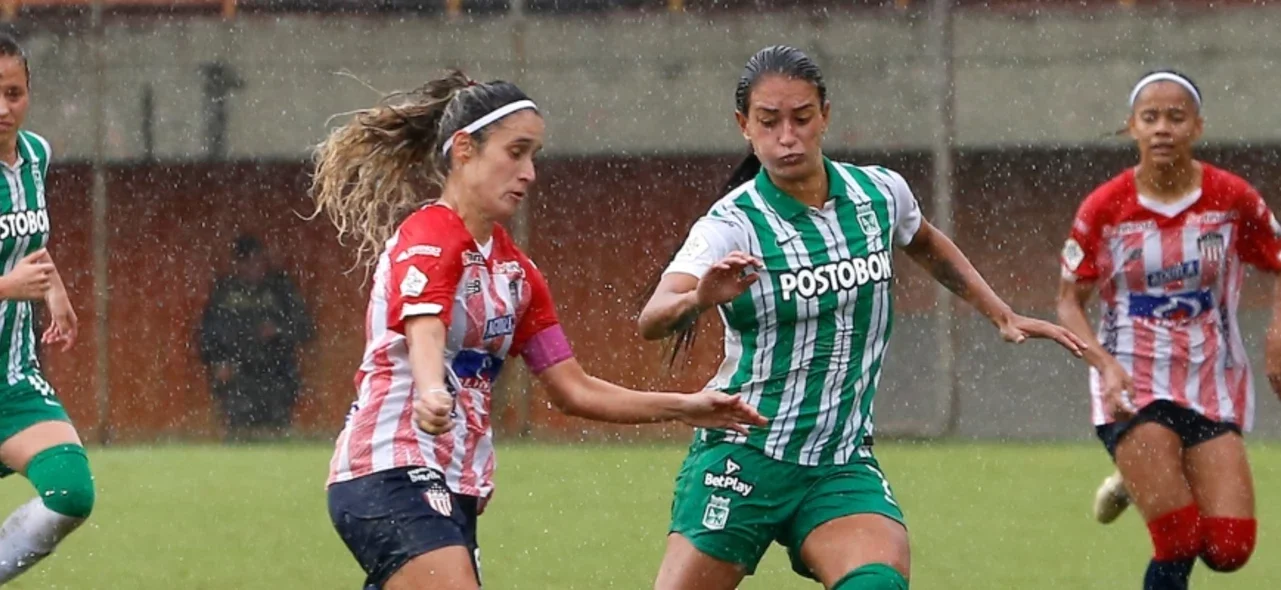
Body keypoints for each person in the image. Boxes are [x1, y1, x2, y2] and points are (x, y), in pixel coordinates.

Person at [638, 45, 1086, 590]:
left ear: (825, 114)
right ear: (743, 127)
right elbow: (654, 318)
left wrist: (999, 312)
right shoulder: (731, 225)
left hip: (838, 461)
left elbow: (924, 241)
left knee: (877, 584)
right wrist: (700, 298)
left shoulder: (879, 193)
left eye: (802, 118)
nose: (787, 136)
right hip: (745, 455)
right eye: (768, 122)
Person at [310, 70, 767, 590]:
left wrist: (686, 406)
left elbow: (574, 390)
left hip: (457, 485)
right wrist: (431, 388)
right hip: (388, 471)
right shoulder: (432, 232)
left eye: (535, 156)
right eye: (515, 152)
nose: (529, 172)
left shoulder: (517, 275)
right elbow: (425, 323)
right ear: (463, 150)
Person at [1057, 70, 1278, 589]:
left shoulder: (1232, 197)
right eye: (1150, 117)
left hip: (1211, 379)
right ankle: (1147, 469)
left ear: (1197, 126)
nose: (1162, 128)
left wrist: (1276, 334)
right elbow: (1069, 302)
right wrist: (1104, 366)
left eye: (1176, 117)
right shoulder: (1104, 208)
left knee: (1228, 549)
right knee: (1178, 540)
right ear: (1131, 128)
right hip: (1132, 382)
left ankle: (1140, 482)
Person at [0, 34, 95, 582]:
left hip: (13, 382)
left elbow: (25, 236)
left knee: (70, 494)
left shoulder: (35, 155)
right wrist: (8, 287)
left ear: (29, 92)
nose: (3, 108)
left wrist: (53, 285)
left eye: (13, 93)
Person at [199, 234, 314, 441]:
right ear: (238, 264)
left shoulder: (280, 289)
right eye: (248, 262)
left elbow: (305, 328)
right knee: (239, 435)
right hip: (238, 376)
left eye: (258, 261)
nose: (254, 267)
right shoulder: (225, 293)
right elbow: (208, 333)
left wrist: (278, 331)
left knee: (277, 435)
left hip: (277, 373)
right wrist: (219, 361)